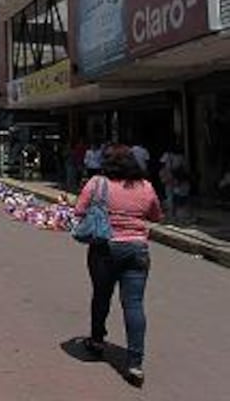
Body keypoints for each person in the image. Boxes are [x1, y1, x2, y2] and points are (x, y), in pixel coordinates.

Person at [75, 144, 163, 387]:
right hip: (137, 249)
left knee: (101, 296)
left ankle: (97, 340)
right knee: (134, 304)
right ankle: (135, 362)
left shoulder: (97, 183)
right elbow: (156, 216)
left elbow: (79, 210)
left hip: (104, 248)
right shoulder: (145, 186)